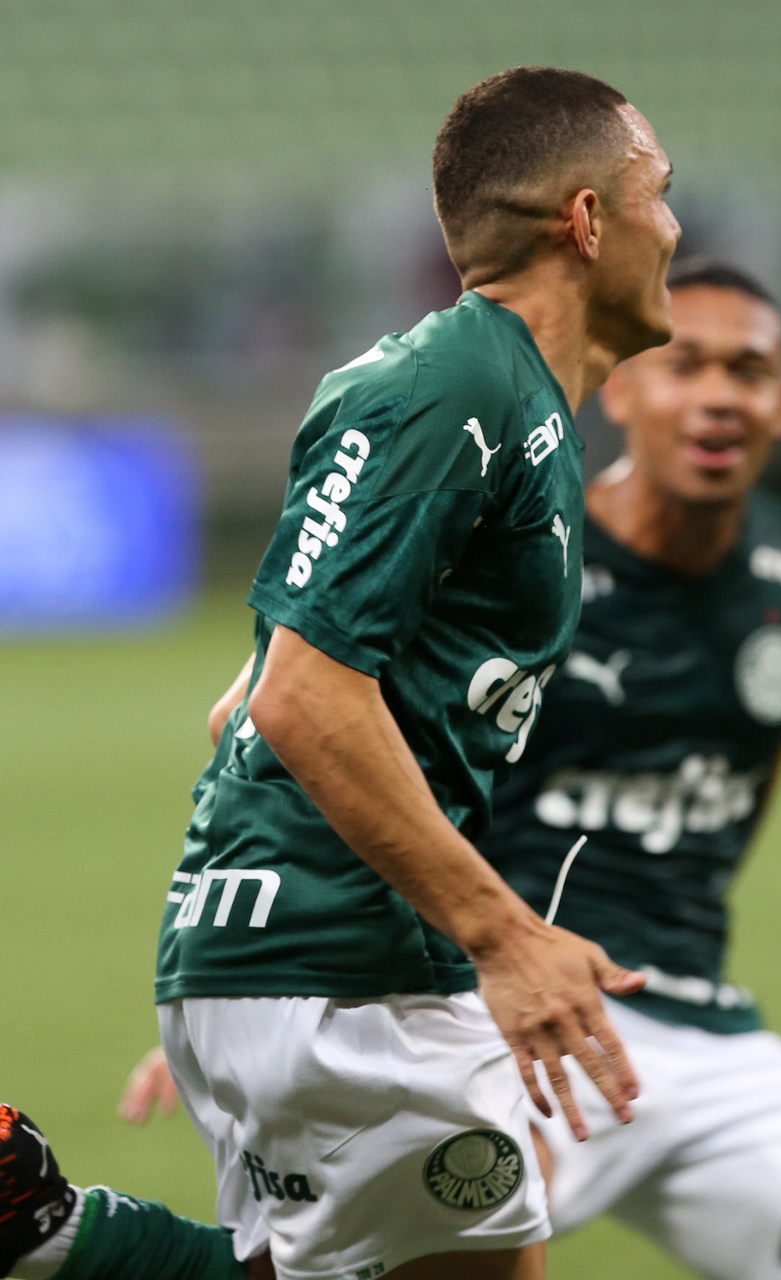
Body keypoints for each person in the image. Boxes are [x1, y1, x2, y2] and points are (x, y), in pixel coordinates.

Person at [105, 260, 781, 1280]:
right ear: (624, 391)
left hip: (695, 1015)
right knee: (360, 1261)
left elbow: (746, 784)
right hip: (509, 1001)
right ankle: (77, 1238)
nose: (718, 395)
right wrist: (283, 975)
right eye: (688, 366)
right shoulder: (523, 547)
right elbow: (274, 710)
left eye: (748, 371)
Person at [1, 66, 680, 1280]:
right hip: (348, 970)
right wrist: (503, 935)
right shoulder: (456, 386)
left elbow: (252, 691)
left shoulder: (507, 398)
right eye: (658, 193)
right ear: (587, 220)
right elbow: (298, 695)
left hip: (309, 959)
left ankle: (44, 1233)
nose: (673, 227)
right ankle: (45, 1236)